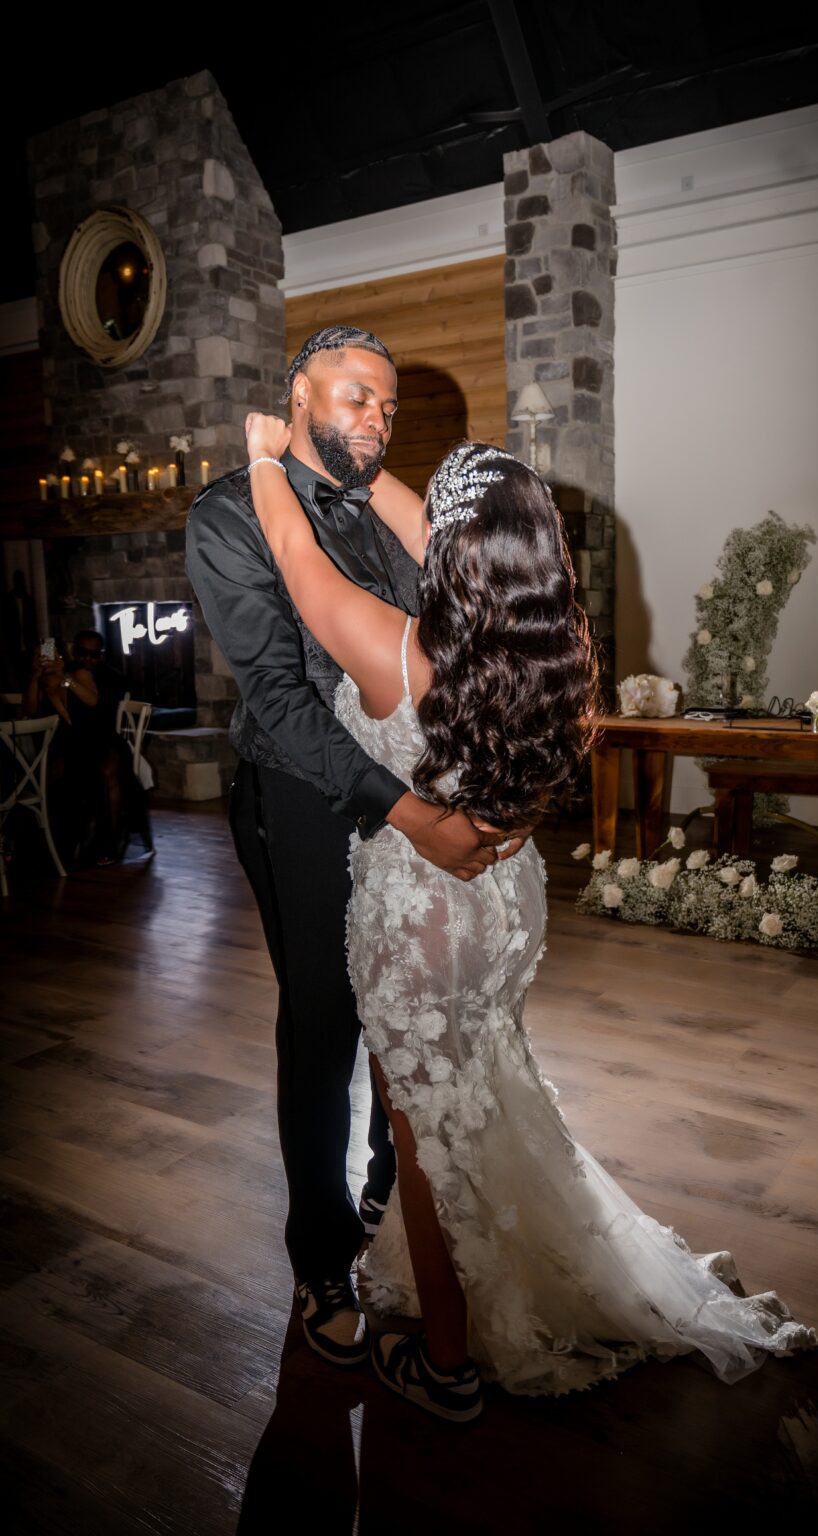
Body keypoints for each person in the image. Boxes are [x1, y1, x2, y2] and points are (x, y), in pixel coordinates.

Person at [241, 412, 818, 1424]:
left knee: (423, 1129)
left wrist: (261, 453)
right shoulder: (544, 646)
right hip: (502, 899)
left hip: (420, 915)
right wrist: (353, 461)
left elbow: (292, 554)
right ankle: (479, 1273)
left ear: (456, 555)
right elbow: (445, 532)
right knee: (478, 1084)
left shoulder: (402, 651)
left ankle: (449, 1364)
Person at [186, 328, 524, 1372]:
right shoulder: (229, 514)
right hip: (297, 797)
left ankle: (391, 1176)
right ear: (296, 398)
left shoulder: (384, 515)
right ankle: (320, 1257)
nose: (375, 417)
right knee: (325, 1023)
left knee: (403, 1013)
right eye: (353, 396)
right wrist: (407, 812)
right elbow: (281, 704)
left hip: (410, 791)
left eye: (387, 406)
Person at [23, 629, 148, 865]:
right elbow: (29, 711)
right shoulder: (52, 675)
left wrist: (65, 678)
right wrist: (36, 674)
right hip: (66, 742)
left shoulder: (88, 675)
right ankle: (57, 844)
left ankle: (108, 842)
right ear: (70, 652)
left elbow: (93, 701)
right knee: (52, 773)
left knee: (109, 771)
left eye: (93, 654)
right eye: (82, 653)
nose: (87, 659)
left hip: (99, 738)